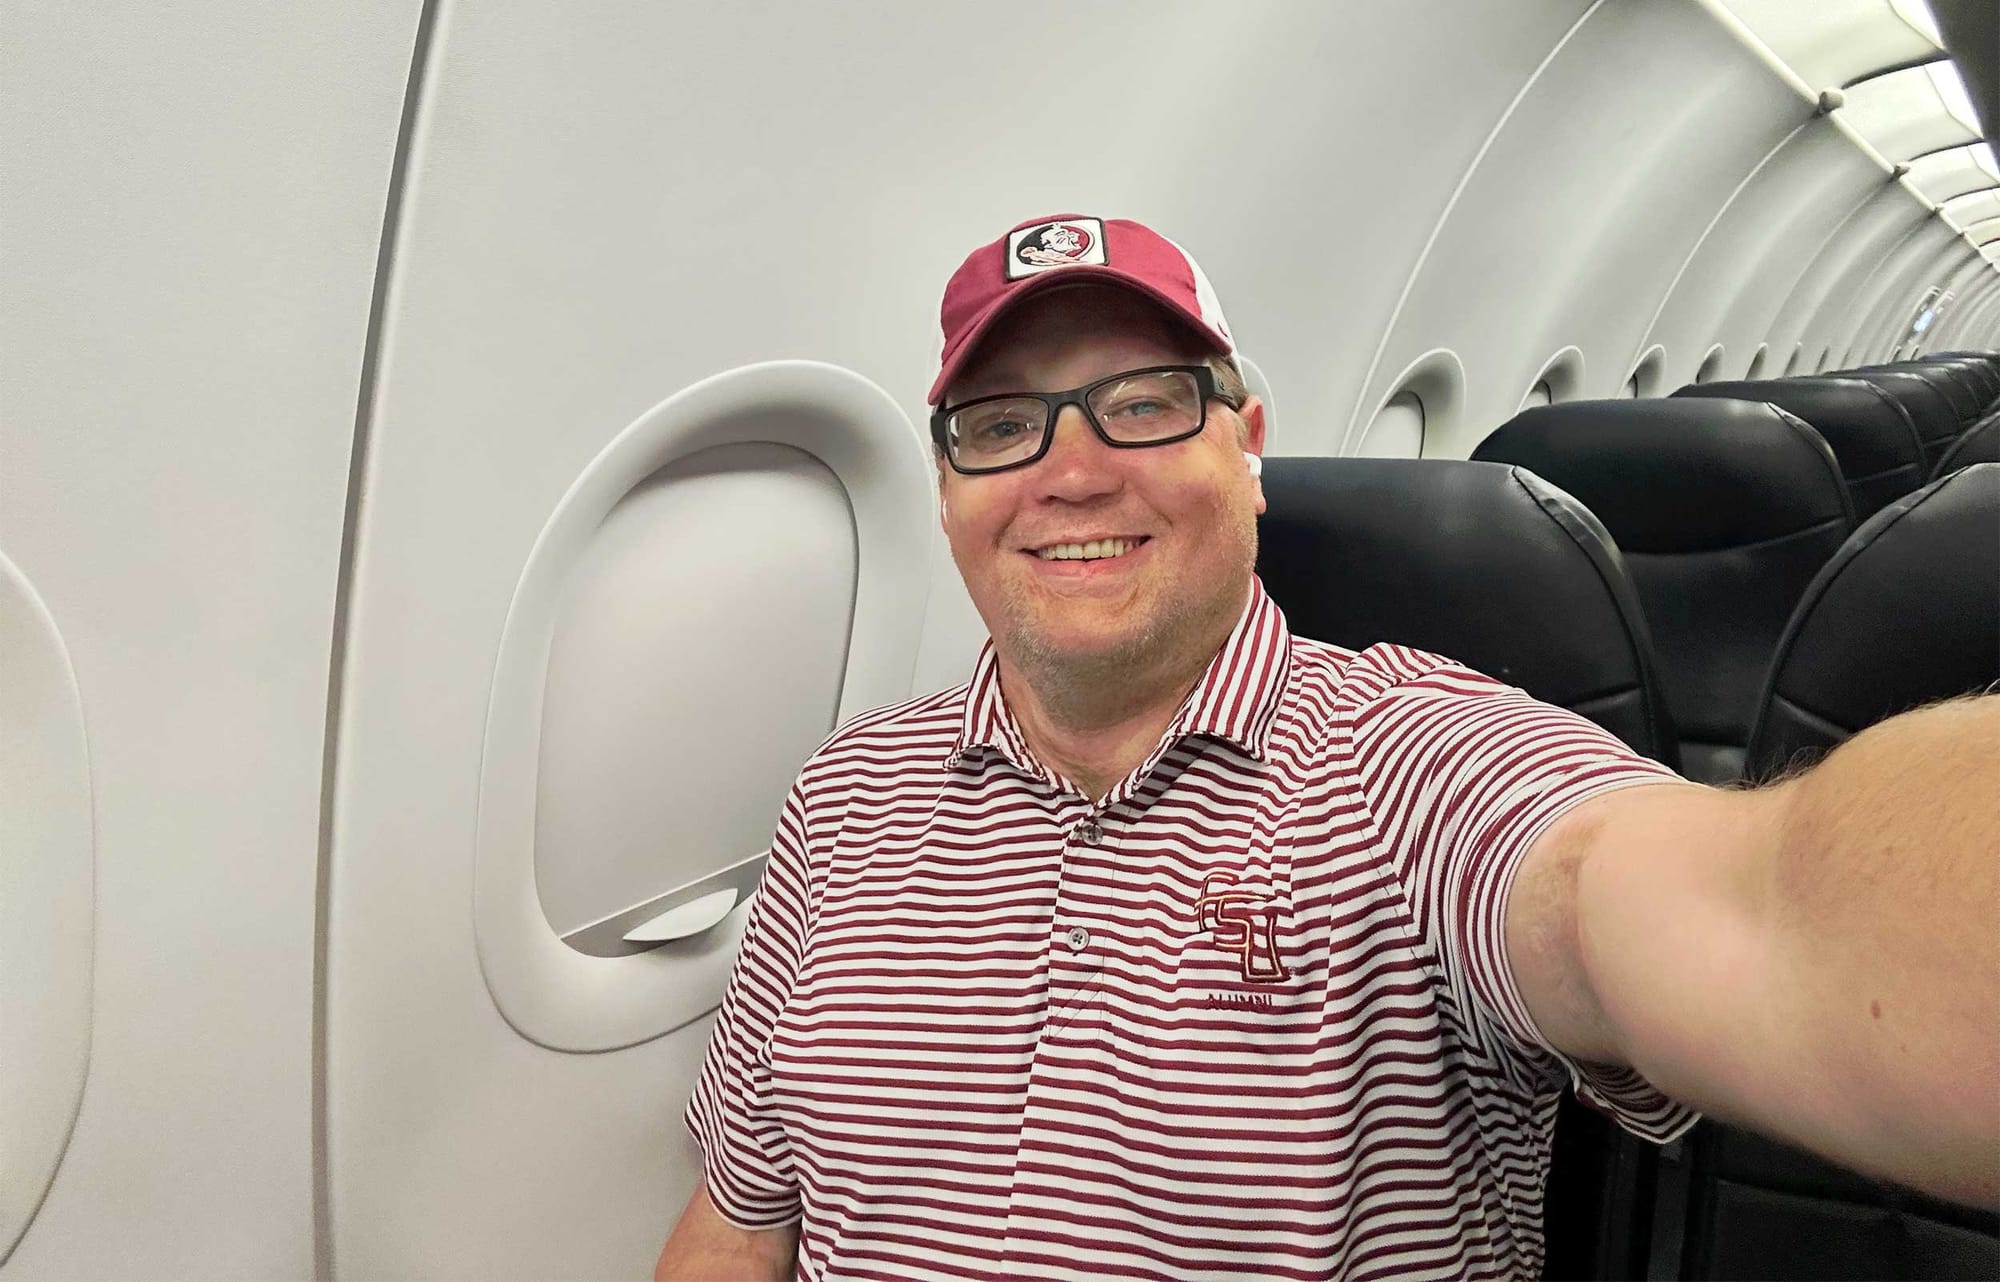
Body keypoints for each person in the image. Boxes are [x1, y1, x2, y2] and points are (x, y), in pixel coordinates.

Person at [654, 214, 1999, 1281]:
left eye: (1144, 403)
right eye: (1001, 423)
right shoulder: (847, 795)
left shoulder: (1406, 766)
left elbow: (1750, 909)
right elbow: (741, 1221)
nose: (1070, 470)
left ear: (1247, 447)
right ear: (948, 488)